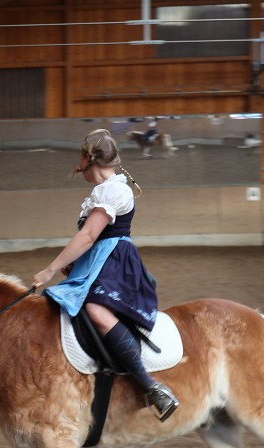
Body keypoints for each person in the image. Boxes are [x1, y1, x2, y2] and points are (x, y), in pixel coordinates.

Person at [32, 128, 179, 422]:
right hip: (99, 260)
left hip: (117, 263)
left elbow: (88, 236)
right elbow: (92, 241)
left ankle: (151, 387)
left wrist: (49, 269)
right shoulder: (100, 193)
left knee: (96, 311)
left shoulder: (115, 191)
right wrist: (76, 264)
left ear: (89, 158)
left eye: (79, 157)